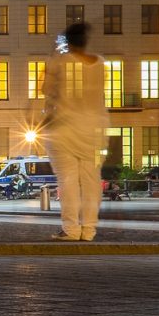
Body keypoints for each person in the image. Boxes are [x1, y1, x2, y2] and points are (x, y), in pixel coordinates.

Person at [44, 21, 107, 241]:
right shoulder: (100, 63)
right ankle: (89, 229)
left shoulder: (61, 61)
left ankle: (70, 229)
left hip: (65, 128)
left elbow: (46, 89)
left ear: (68, 42)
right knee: (91, 180)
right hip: (95, 129)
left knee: (67, 179)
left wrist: (55, 53)